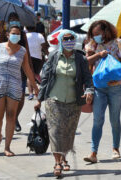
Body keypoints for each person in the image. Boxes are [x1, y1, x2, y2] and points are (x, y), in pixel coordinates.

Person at [34, 30, 94, 177]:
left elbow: (88, 79)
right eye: (66, 39)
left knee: (67, 133)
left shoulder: (80, 59)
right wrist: (39, 99)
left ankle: (63, 158)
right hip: (53, 99)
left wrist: (90, 91)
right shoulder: (54, 57)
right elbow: (46, 79)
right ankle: (57, 163)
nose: (69, 42)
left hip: (74, 102)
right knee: (55, 132)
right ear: (61, 41)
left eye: (71, 39)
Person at [0, 24, 38, 157]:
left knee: (11, 116)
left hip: (15, 86)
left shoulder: (22, 51)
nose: (15, 36)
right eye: (13, 33)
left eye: (18, 34)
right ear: (7, 34)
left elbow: (27, 69)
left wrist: (35, 87)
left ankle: (7, 147)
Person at [83, 20, 121, 163]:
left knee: (114, 119)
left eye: (98, 33)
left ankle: (115, 148)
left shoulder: (119, 43)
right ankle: (93, 152)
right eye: (93, 34)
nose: (96, 36)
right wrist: (97, 54)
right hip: (98, 87)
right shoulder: (92, 44)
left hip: (116, 87)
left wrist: (114, 74)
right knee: (97, 119)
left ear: (106, 31)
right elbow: (87, 63)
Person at [0, 12, 34, 132]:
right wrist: (3, 31)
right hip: (4, 73)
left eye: (16, 20)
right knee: (2, 103)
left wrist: (31, 74)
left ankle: (14, 118)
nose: (14, 22)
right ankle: (6, 122)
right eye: (12, 20)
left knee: (21, 98)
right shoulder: (4, 34)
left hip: (20, 72)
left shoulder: (22, 34)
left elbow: (27, 52)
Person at [25, 26, 46, 100]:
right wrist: (47, 54)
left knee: (29, 75)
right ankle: (39, 89)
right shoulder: (40, 36)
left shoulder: (24, 36)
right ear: (35, 28)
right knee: (35, 74)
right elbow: (44, 46)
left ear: (26, 28)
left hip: (27, 58)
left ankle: (31, 93)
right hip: (38, 58)